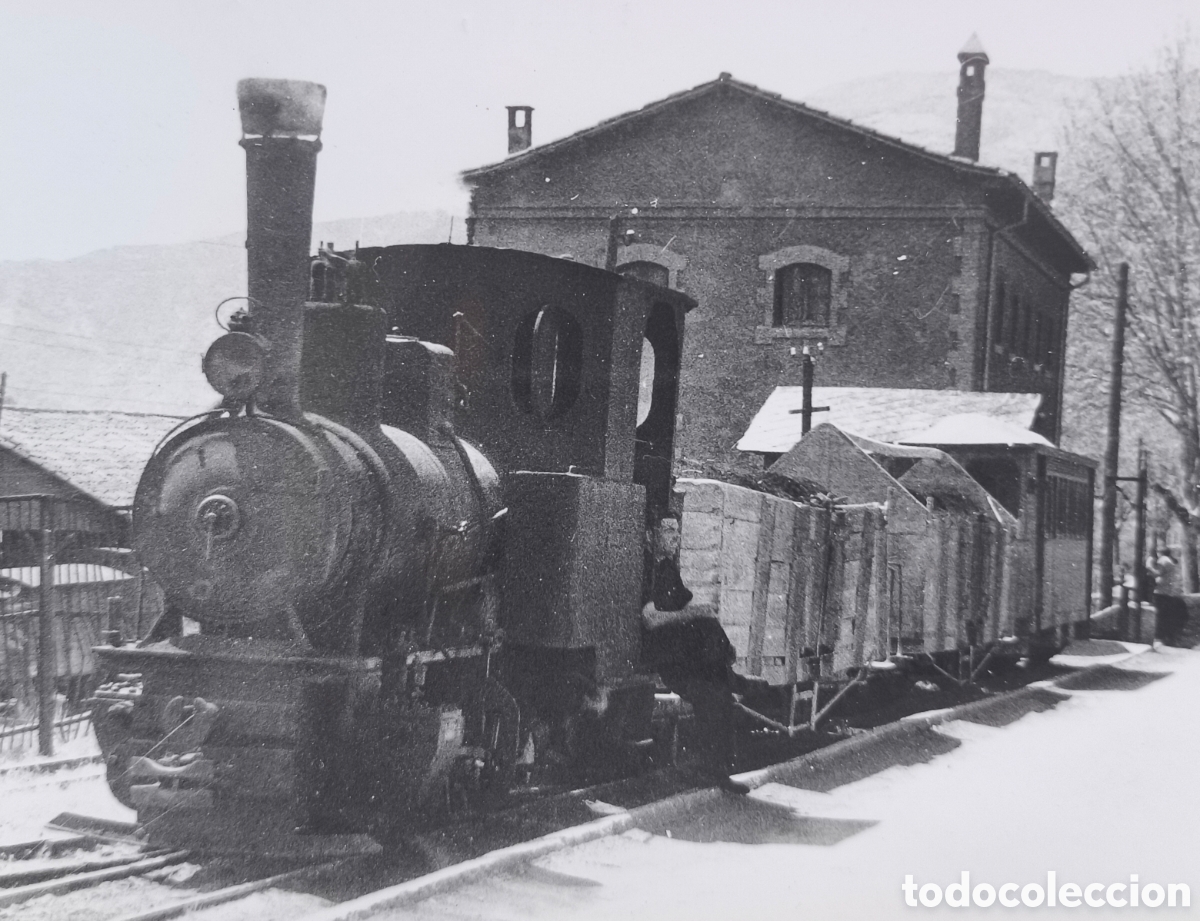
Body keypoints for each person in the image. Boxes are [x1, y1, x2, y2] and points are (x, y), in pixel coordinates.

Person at [640, 523, 750, 795]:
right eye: (668, 531)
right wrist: (691, 615)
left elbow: (686, 604)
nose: (675, 538)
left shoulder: (668, 568)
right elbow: (650, 619)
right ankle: (729, 672)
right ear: (650, 535)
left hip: (683, 653)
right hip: (664, 654)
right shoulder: (646, 568)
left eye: (677, 532)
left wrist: (702, 611)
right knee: (711, 690)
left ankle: (719, 771)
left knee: (718, 693)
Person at [1151, 550, 1189, 646]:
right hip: (1168, 592)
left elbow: (1157, 573)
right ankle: (1167, 637)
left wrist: (1149, 566)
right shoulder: (1170, 561)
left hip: (1161, 592)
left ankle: (1160, 637)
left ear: (1160, 553)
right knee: (1166, 615)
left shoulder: (1163, 560)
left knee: (1160, 615)